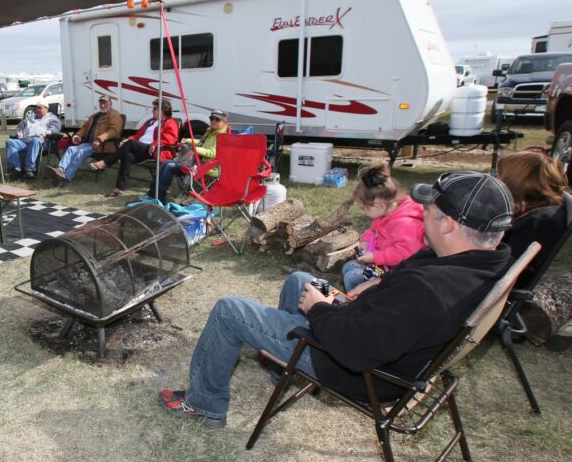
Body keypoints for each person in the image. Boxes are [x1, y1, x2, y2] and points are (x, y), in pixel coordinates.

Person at [158, 171, 515, 429]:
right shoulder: (477, 263)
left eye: (430, 209)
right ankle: (282, 361)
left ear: (449, 224)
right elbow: (398, 303)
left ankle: (203, 404)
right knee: (300, 280)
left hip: (354, 368)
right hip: (370, 336)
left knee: (228, 311)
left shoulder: (431, 290)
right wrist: (369, 290)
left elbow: (354, 350)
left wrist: (321, 309)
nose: (422, 212)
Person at [340, 162, 426, 293]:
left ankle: (356, 305)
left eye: (364, 208)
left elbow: (405, 254)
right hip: (385, 265)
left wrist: (375, 257)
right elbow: (374, 229)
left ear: (377, 205)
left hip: (398, 273)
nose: (363, 212)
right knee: (348, 267)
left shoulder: (405, 224)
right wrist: (365, 240)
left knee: (352, 277)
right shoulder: (388, 212)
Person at [497, 150, 569, 285]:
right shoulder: (538, 211)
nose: (497, 182)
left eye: (500, 177)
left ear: (514, 183)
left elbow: (509, 272)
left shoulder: (539, 223)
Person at [91, 98, 179, 197]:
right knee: (127, 155)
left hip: (154, 150)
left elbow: (170, 139)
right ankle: (119, 188)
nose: (152, 110)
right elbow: (138, 135)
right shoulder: (151, 122)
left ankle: (106, 162)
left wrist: (154, 144)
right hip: (141, 148)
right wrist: (129, 138)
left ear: (163, 110)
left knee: (130, 143)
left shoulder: (171, 122)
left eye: (154, 108)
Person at [152, 109, 229, 203]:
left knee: (169, 166)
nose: (213, 121)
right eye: (211, 118)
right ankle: (153, 193)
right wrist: (188, 140)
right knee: (165, 163)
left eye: (217, 119)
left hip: (208, 167)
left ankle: (159, 197)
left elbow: (212, 153)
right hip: (199, 163)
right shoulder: (212, 132)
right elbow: (202, 143)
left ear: (224, 122)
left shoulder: (222, 136)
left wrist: (194, 150)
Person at [51, 95, 124, 186]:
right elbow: (85, 128)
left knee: (81, 152)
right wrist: (78, 135)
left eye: (105, 103)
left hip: (103, 145)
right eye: (101, 103)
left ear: (110, 103)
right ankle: (60, 170)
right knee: (71, 149)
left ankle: (66, 177)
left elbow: (114, 131)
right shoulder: (95, 115)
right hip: (89, 143)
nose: (102, 105)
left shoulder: (114, 115)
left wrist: (99, 139)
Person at [5, 101, 61, 179]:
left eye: (39, 108)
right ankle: (15, 168)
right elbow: (20, 126)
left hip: (43, 142)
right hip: (25, 141)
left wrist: (45, 134)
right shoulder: (30, 117)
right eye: (36, 108)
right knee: (10, 142)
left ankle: (30, 169)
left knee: (35, 140)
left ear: (46, 108)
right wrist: (19, 132)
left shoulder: (52, 118)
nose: (37, 110)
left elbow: (55, 130)